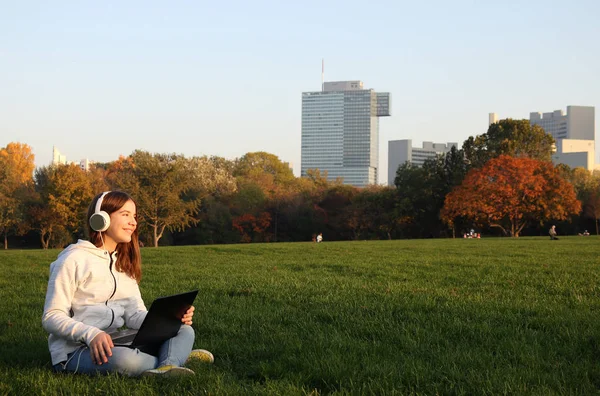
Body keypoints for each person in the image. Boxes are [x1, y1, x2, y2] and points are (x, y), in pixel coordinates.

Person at [42, 191, 214, 377]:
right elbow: (51, 316)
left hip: (115, 340)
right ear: (102, 218)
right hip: (75, 350)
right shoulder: (73, 259)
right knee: (128, 360)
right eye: (125, 215)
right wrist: (91, 334)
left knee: (184, 329)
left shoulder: (123, 263)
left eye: (134, 216)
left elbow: (134, 314)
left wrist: (168, 318)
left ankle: (169, 364)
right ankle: (176, 358)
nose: (133, 222)